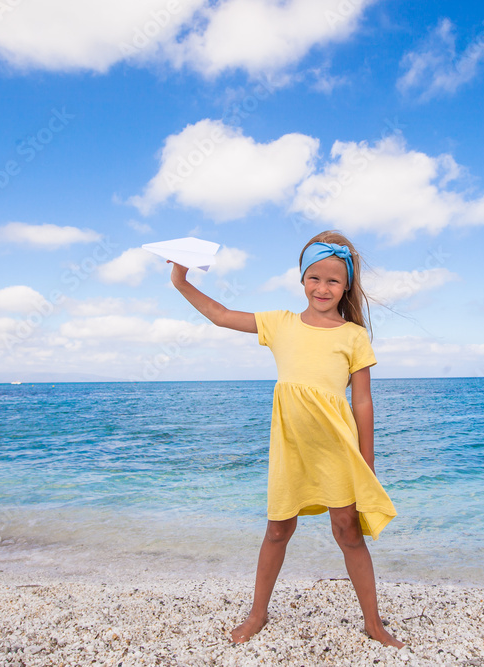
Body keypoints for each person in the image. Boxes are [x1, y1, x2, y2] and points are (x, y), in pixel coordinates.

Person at [169, 230, 402, 648]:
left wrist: (367, 462)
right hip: (291, 447)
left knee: (348, 530)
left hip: (337, 447)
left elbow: (362, 402)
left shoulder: (353, 336)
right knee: (278, 529)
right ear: (301, 280)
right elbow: (222, 315)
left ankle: (373, 621)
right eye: (314, 278)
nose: (323, 288)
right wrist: (182, 282)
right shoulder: (280, 323)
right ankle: (258, 613)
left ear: (347, 284)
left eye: (333, 280)